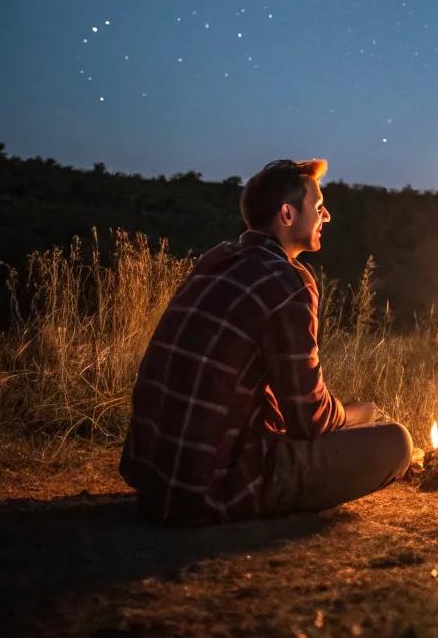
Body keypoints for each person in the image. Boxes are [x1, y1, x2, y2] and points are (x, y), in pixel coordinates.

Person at [120, 157, 413, 523]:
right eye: (319, 208)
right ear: (287, 214)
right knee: (397, 442)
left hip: (154, 477)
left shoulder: (217, 260)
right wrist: (360, 413)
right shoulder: (288, 282)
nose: (327, 218)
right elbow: (309, 418)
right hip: (210, 486)